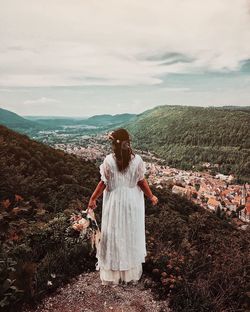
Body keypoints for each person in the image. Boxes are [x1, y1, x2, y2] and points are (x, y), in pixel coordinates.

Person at [87, 128, 158, 286]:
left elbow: (103, 183)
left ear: (114, 143)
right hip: (132, 202)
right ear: (128, 142)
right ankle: (129, 273)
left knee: (113, 234)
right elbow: (141, 181)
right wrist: (151, 196)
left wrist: (92, 199)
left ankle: (112, 273)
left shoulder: (109, 161)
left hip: (114, 202)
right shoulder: (137, 160)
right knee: (129, 234)